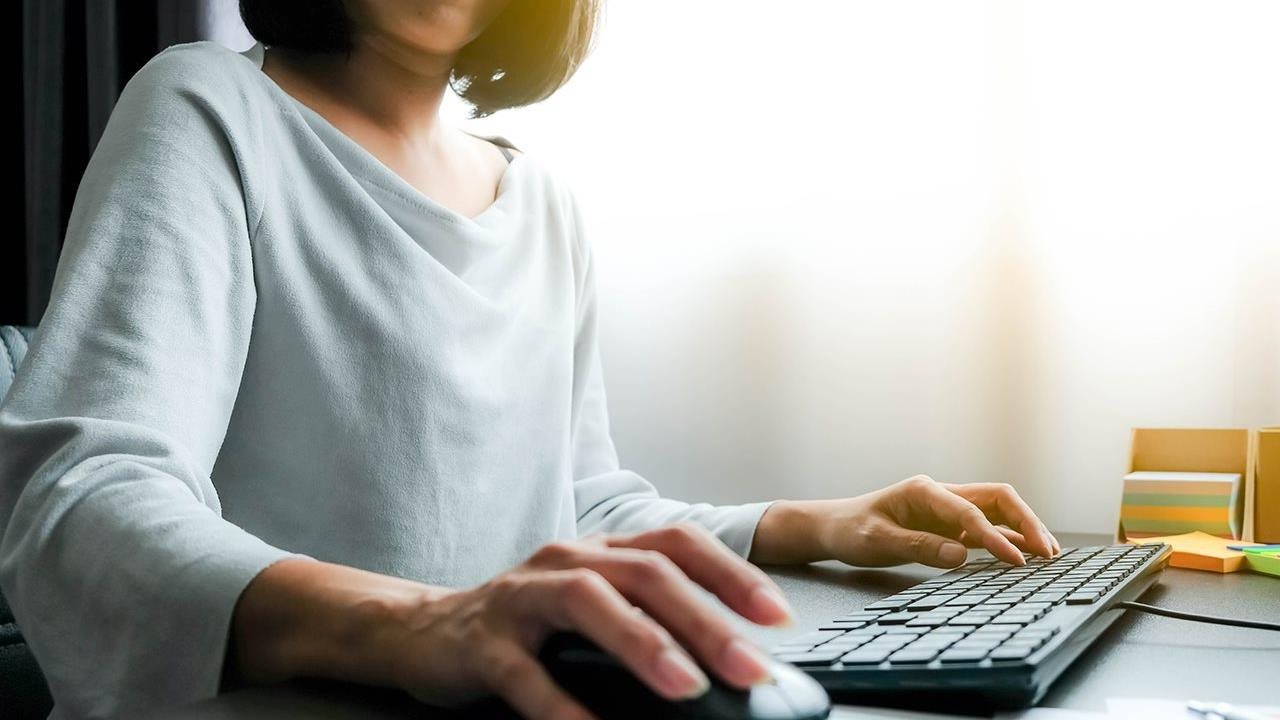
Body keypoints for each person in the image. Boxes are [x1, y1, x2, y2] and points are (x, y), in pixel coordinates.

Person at [0, 1, 1060, 718]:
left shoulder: (540, 203)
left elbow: (580, 504)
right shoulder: (204, 110)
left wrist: (805, 525)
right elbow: (82, 496)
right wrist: (418, 619)